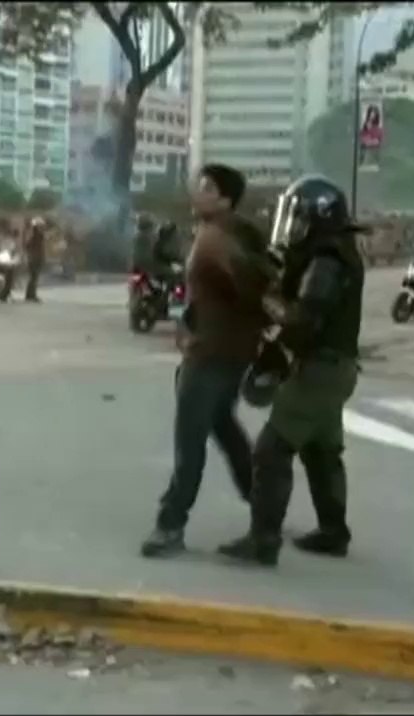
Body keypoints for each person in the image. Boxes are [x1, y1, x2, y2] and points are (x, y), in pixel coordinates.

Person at [216, 175, 366, 567]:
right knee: (321, 451)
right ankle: (333, 532)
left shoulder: (326, 262)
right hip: (336, 369)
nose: (292, 225)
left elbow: (303, 320)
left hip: (320, 369)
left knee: (271, 450)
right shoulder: (334, 253)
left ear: (318, 219)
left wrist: (268, 301)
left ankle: (263, 540)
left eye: (299, 217)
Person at [140, 164, 275, 559]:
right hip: (229, 351)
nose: (197, 193)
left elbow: (254, 288)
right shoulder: (224, 234)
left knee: (190, 441)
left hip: (211, 355)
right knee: (225, 429)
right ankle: (265, 513)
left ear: (226, 200)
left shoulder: (217, 240)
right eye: (199, 186)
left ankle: (170, 524)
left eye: (208, 188)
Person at [23, 216, 46, 302]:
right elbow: (28, 245)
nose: (42, 227)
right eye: (41, 226)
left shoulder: (37, 234)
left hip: (35, 257)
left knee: (34, 277)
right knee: (33, 277)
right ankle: (31, 295)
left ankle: (30, 294)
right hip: (34, 258)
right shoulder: (34, 234)